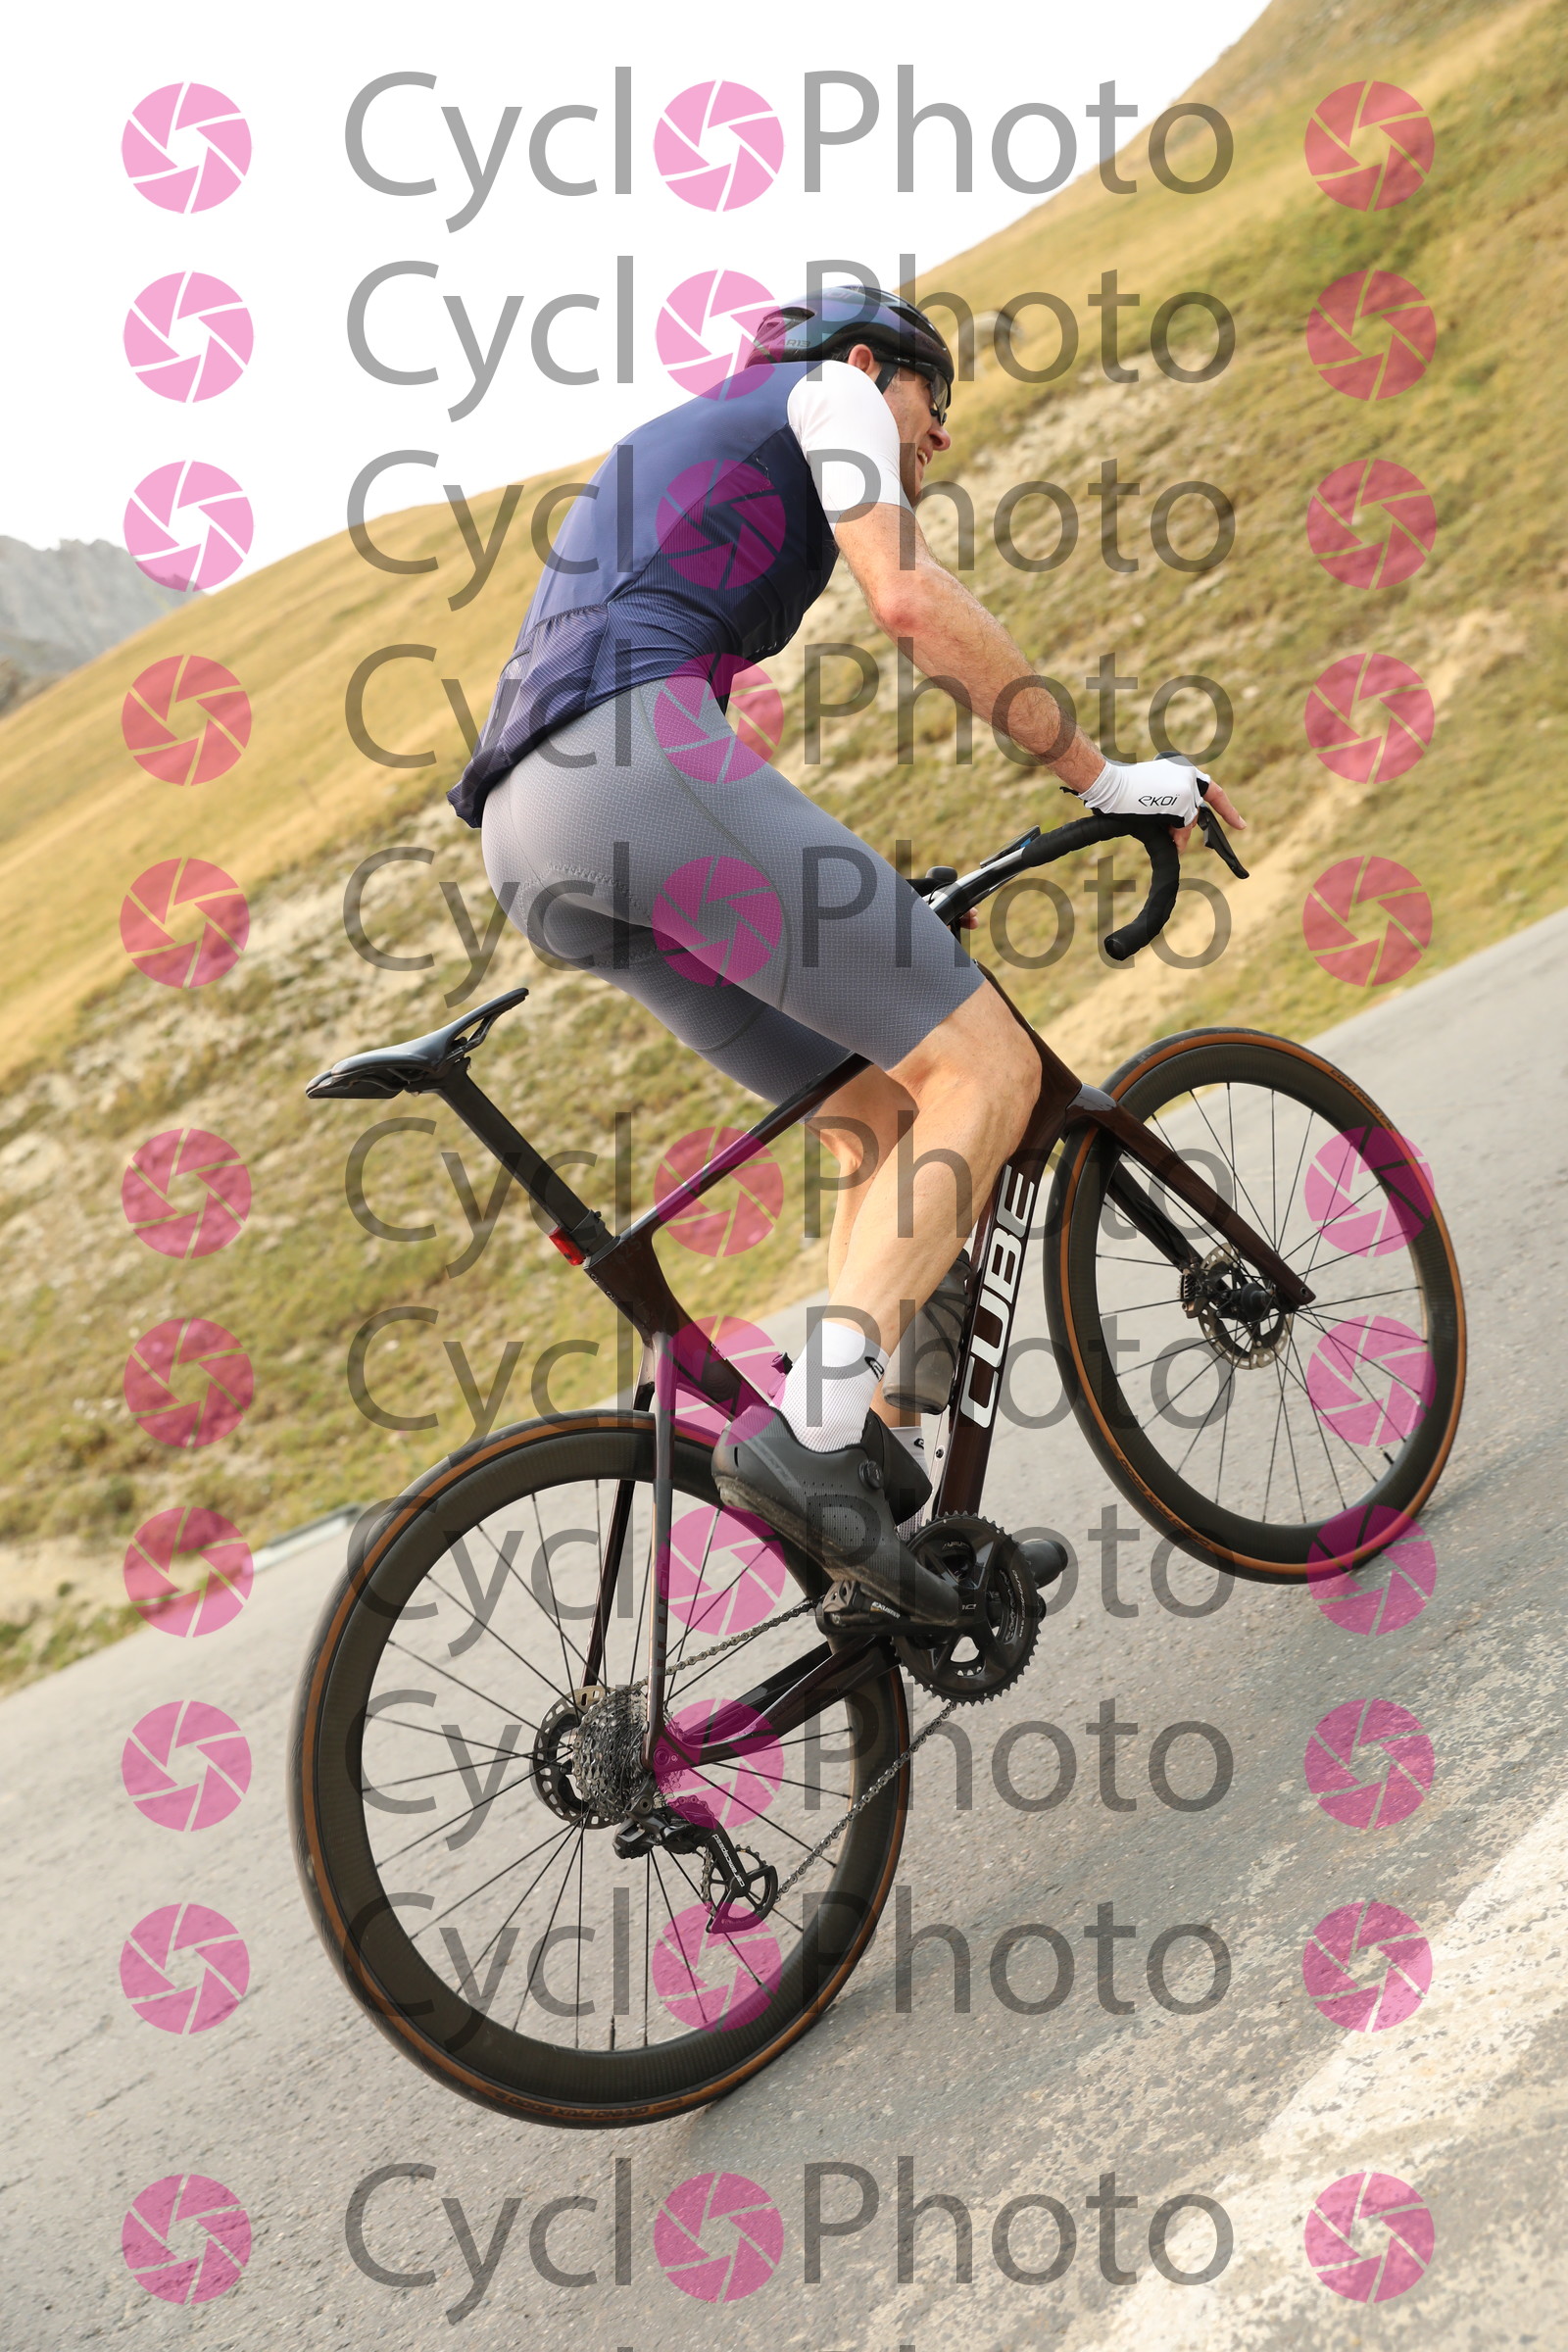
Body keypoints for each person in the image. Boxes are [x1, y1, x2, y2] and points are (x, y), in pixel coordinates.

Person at [450, 286, 1247, 1615]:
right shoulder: (828, 391)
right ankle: (816, 1441)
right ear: (874, 364)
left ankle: (877, 1522)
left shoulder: (691, 440)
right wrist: (1104, 778)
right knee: (988, 1070)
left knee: (886, 1115)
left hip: (531, 842)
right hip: (630, 766)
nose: (938, 437)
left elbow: (707, 788)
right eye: (935, 401)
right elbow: (911, 602)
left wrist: (875, 905)